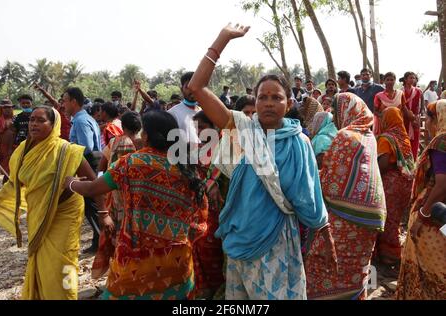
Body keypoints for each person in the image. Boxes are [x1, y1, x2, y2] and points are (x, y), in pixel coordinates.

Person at [187, 23, 337, 300]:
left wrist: (322, 228)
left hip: (277, 240)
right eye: (262, 97)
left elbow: (308, 197)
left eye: (276, 97)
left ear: (289, 102)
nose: (269, 103)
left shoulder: (298, 142)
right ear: (254, 101)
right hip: (239, 236)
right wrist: (222, 39)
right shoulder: (242, 129)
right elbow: (196, 87)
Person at [63, 110, 208, 300]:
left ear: (146, 135)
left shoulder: (132, 163)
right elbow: (199, 218)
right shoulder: (186, 167)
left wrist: (70, 182)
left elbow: (92, 189)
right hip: (178, 263)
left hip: (136, 265)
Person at [0, 106, 100, 299]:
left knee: (64, 263)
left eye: (40, 120)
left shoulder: (67, 151)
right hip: (39, 214)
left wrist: (104, 214)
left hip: (65, 214)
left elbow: (95, 184)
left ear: (54, 125)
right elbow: (15, 183)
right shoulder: (22, 150)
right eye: (32, 120)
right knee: (43, 261)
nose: (33, 124)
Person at [305, 93, 386, 300]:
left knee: (322, 260)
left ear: (345, 111)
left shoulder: (345, 136)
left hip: (346, 216)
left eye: (336, 110)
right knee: (358, 266)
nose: (334, 116)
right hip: (372, 218)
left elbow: (331, 180)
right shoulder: (370, 137)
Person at [396, 100, 446, 300]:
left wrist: (422, 216)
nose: (426, 122)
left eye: (428, 117)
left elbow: (442, 184)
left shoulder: (441, 142)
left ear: (438, 118)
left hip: (433, 212)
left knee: (428, 267)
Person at [92, 111, 142, 279]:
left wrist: (103, 186)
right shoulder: (142, 144)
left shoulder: (114, 142)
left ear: (123, 126)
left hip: (114, 196)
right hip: (136, 198)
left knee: (116, 235)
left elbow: (101, 166)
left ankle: (119, 272)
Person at [63, 87, 102, 254]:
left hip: (87, 163)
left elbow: (86, 147)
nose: (63, 104)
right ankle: (98, 240)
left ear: (73, 102)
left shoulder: (80, 121)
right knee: (93, 204)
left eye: (65, 101)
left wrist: (68, 150)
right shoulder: (84, 118)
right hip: (90, 162)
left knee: (92, 205)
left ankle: (102, 241)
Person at [375, 107, 415, 272]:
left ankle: (390, 255)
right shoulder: (403, 137)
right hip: (405, 184)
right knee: (395, 219)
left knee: (388, 220)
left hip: (391, 184)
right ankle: (392, 251)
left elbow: (383, 164)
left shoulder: (386, 138)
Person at [191, 111, 226, 299]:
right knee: (202, 245)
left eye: (202, 128)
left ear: (215, 128)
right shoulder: (197, 150)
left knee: (216, 246)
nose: (199, 132)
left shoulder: (225, 149)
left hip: (223, 208)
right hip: (202, 208)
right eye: (196, 129)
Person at [168, 72, 202, 144]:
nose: (192, 90)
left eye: (195, 86)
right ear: (181, 89)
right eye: (187, 87)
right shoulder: (172, 113)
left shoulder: (203, 112)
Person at [402, 72, 423, 160]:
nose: (412, 80)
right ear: (405, 79)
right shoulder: (400, 91)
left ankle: (414, 160)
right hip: (404, 119)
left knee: (415, 140)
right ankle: (405, 160)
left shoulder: (418, 91)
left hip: (415, 119)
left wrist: (417, 117)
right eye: (410, 78)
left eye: (413, 78)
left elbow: (421, 105)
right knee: (404, 139)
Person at [0, 99, 15, 181]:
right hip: (4, 149)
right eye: (5, 108)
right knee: (6, 172)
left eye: (9, 107)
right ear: (1, 109)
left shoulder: (16, 119)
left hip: (16, 147)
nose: (7, 109)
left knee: (16, 170)